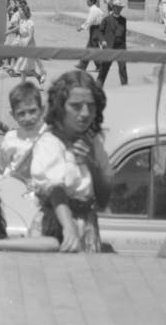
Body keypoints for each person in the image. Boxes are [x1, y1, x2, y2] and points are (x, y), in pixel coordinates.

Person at [29, 70, 113, 253]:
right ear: (60, 107)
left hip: (87, 226)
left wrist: (91, 163)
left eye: (91, 106)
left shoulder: (95, 143)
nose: (85, 113)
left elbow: (104, 199)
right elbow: (56, 190)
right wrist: (69, 228)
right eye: (76, 106)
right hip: (56, 227)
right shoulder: (50, 143)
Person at [0, 81, 45, 177]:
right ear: (13, 115)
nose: (27, 118)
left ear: (42, 110)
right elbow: (1, 167)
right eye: (21, 113)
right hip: (16, 186)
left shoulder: (48, 135)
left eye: (32, 111)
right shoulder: (10, 138)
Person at [11, 0, 46, 85]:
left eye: (20, 10)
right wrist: (9, 32)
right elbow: (18, 29)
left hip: (29, 45)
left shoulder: (30, 23)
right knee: (26, 68)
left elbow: (30, 35)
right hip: (23, 43)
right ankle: (38, 77)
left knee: (24, 67)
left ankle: (23, 82)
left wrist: (26, 44)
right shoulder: (22, 21)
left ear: (24, 12)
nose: (18, 12)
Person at [98, 0, 128, 86]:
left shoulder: (123, 20)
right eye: (117, 7)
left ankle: (125, 85)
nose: (119, 9)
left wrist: (124, 47)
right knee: (105, 67)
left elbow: (124, 34)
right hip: (109, 46)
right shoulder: (106, 19)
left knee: (122, 67)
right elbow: (100, 32)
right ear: (114, 8)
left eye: (120, 8)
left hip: (120, 47)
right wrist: (103, 41)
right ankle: (99, 84)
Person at [78, 0, 105, 71]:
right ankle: (83, 64)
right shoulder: (96, 9)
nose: (87, 2)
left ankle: (99, 65)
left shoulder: (93, 10)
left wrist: (82, 27)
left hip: (95, 29)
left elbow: (90, 20)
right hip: (95, 28)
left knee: (94, 48)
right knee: (89, 47)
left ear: (92, 1)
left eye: (88, 0)